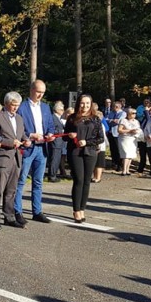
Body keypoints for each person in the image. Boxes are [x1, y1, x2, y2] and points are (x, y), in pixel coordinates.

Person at [14, 79, 55, 224]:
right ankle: (17, 211)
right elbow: (18, 128)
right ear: (32, 90)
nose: (40, 95)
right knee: (21, 180)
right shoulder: (22, 107)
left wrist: (50, 134)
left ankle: (37, 211)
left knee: (38, 181)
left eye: (43, 93)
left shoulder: (45, 107)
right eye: (38, 92)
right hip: (27, 148)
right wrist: (30, 135)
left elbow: (50, 125)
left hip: (41, 148)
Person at [0, 92, 30, 229]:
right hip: (3, 157)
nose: (15, 108)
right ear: (6, 104)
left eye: (17, 105)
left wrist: (27, 139)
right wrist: (10, 142)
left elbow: (22, 133)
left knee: (11, 190)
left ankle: (9, 216)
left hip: (16, 157)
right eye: (13, 105)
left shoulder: (19, 118)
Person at [64, 94, 104, 223]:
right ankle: (76, 210)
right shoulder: (72, 118)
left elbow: (100, 138)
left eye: (87, 103)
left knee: (87, 181)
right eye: (82, 103)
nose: (85, 106)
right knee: (79, 180)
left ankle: (82, 209)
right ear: (78, 104)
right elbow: (64, 137)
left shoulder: (96, 119)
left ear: (91, 104)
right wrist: (69, 136)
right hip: (75, 152)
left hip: (90, 152)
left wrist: (87, 142)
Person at [117, 108, 141, 175]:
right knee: (126, 154)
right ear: (128, 113)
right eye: (132, 113)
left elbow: (138, 129)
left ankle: (128, 170)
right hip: (125, 139)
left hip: (133, 139)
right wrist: (129, 131)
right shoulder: (123, 120)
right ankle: (124, 170)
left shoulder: (136, 121)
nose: (134, 114)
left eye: (135, 113)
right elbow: (119, 130)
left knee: (131, 154)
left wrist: (136, 132)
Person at [47, 101, 65, 182]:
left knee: (56, 159)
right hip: (55, 142)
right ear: (57, 110)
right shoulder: (53, 118)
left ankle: (53, 174)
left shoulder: (58, 118)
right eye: (61, 109)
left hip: (59, 142)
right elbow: (52, 129)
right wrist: (61, 131)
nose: (63, 111)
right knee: (54, 159)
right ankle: (52, 176)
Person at [106, 101, 126, 171]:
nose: (115, 108)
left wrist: (112, 120)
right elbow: (107, 119)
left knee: (118, 149)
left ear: (120, 107)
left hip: (117, 133)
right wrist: (112, 120)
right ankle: (114, 163)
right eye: (114, 106)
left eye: (116, 107)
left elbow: (119, 121)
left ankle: (119, 164)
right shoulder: (111, 113)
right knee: (112, 149)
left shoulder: (123, 113)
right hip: (111, 132)